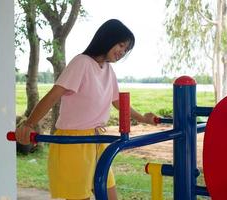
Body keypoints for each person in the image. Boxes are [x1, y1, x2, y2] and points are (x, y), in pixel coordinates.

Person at [15, 19, 157, 200]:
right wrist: (29, 124)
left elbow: (117, 102)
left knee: (110, 195)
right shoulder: (81, 62)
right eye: (121, 45)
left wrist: (143, 118)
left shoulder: (108, 70)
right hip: (74, 141)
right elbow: (53, 96)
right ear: (107, 38)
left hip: (98, 141)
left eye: (126, 49)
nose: (122, 52)